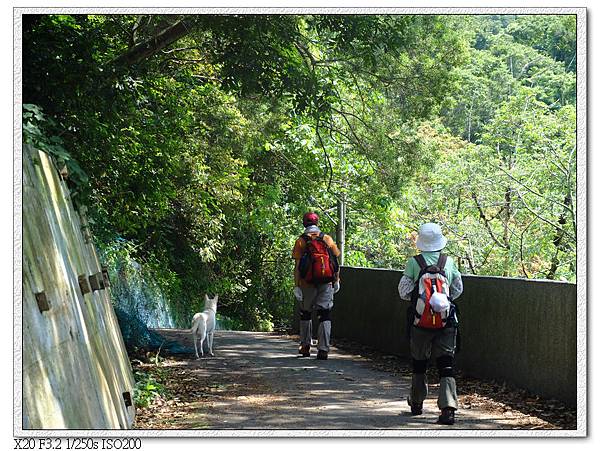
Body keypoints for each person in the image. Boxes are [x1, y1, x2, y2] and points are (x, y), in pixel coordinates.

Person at [397, 222, 463, 425]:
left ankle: (417, 402)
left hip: (420, 322)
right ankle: (448, 408)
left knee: (419, 363)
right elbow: (458, 289)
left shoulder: (414, 262)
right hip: (447, 320)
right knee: (446, 364)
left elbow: (403, 292)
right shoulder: (448, 262)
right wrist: (441, 302)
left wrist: (422, 302)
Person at [292, 212, 341, 360]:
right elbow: (335, 262)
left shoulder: (301, 241)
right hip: (326, 282)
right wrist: (336, 280)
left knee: (306, 313)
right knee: (325, 314)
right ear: (317, 223)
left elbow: (297, 266)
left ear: (304, 223)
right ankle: (323, 349)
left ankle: (305, 346)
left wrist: (297, 285)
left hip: (307, 283)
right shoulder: (326, 239)